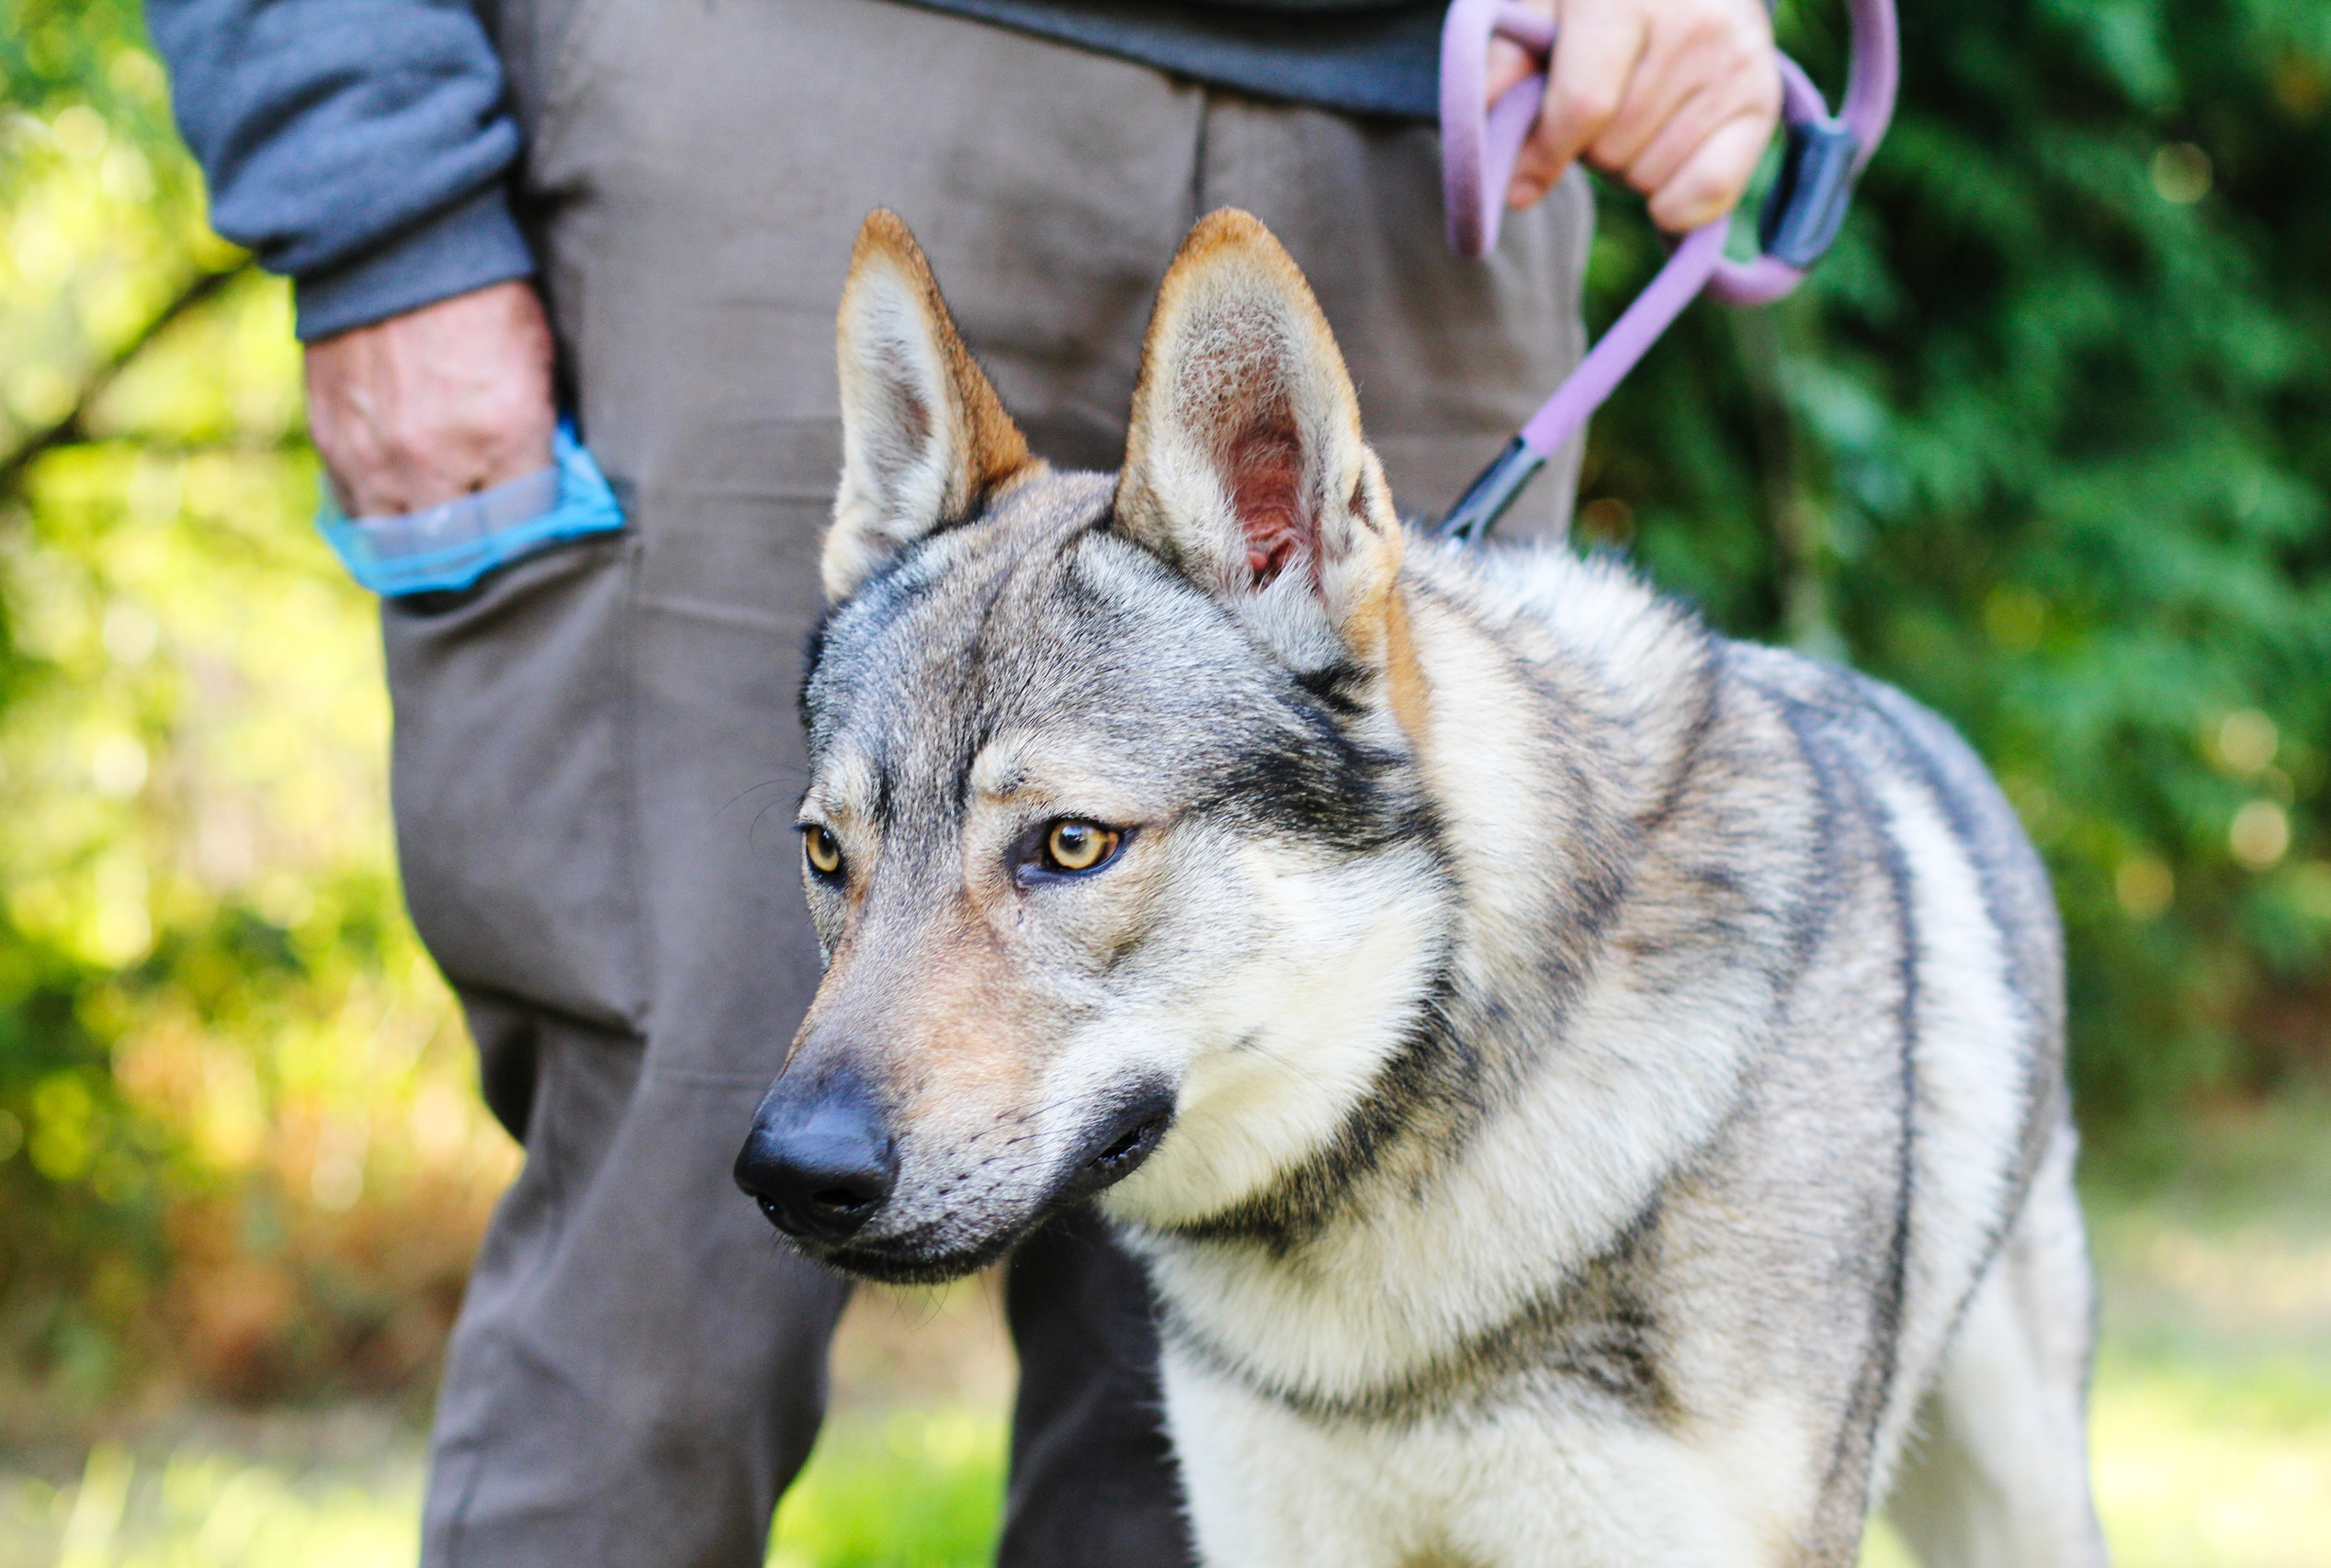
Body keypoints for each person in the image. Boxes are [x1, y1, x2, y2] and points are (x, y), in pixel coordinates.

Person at [144, 1, 1780, 1562]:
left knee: (1291, 1337)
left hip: (1435, 134)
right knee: (665, 1278)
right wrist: (378, 213)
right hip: (774, 85)